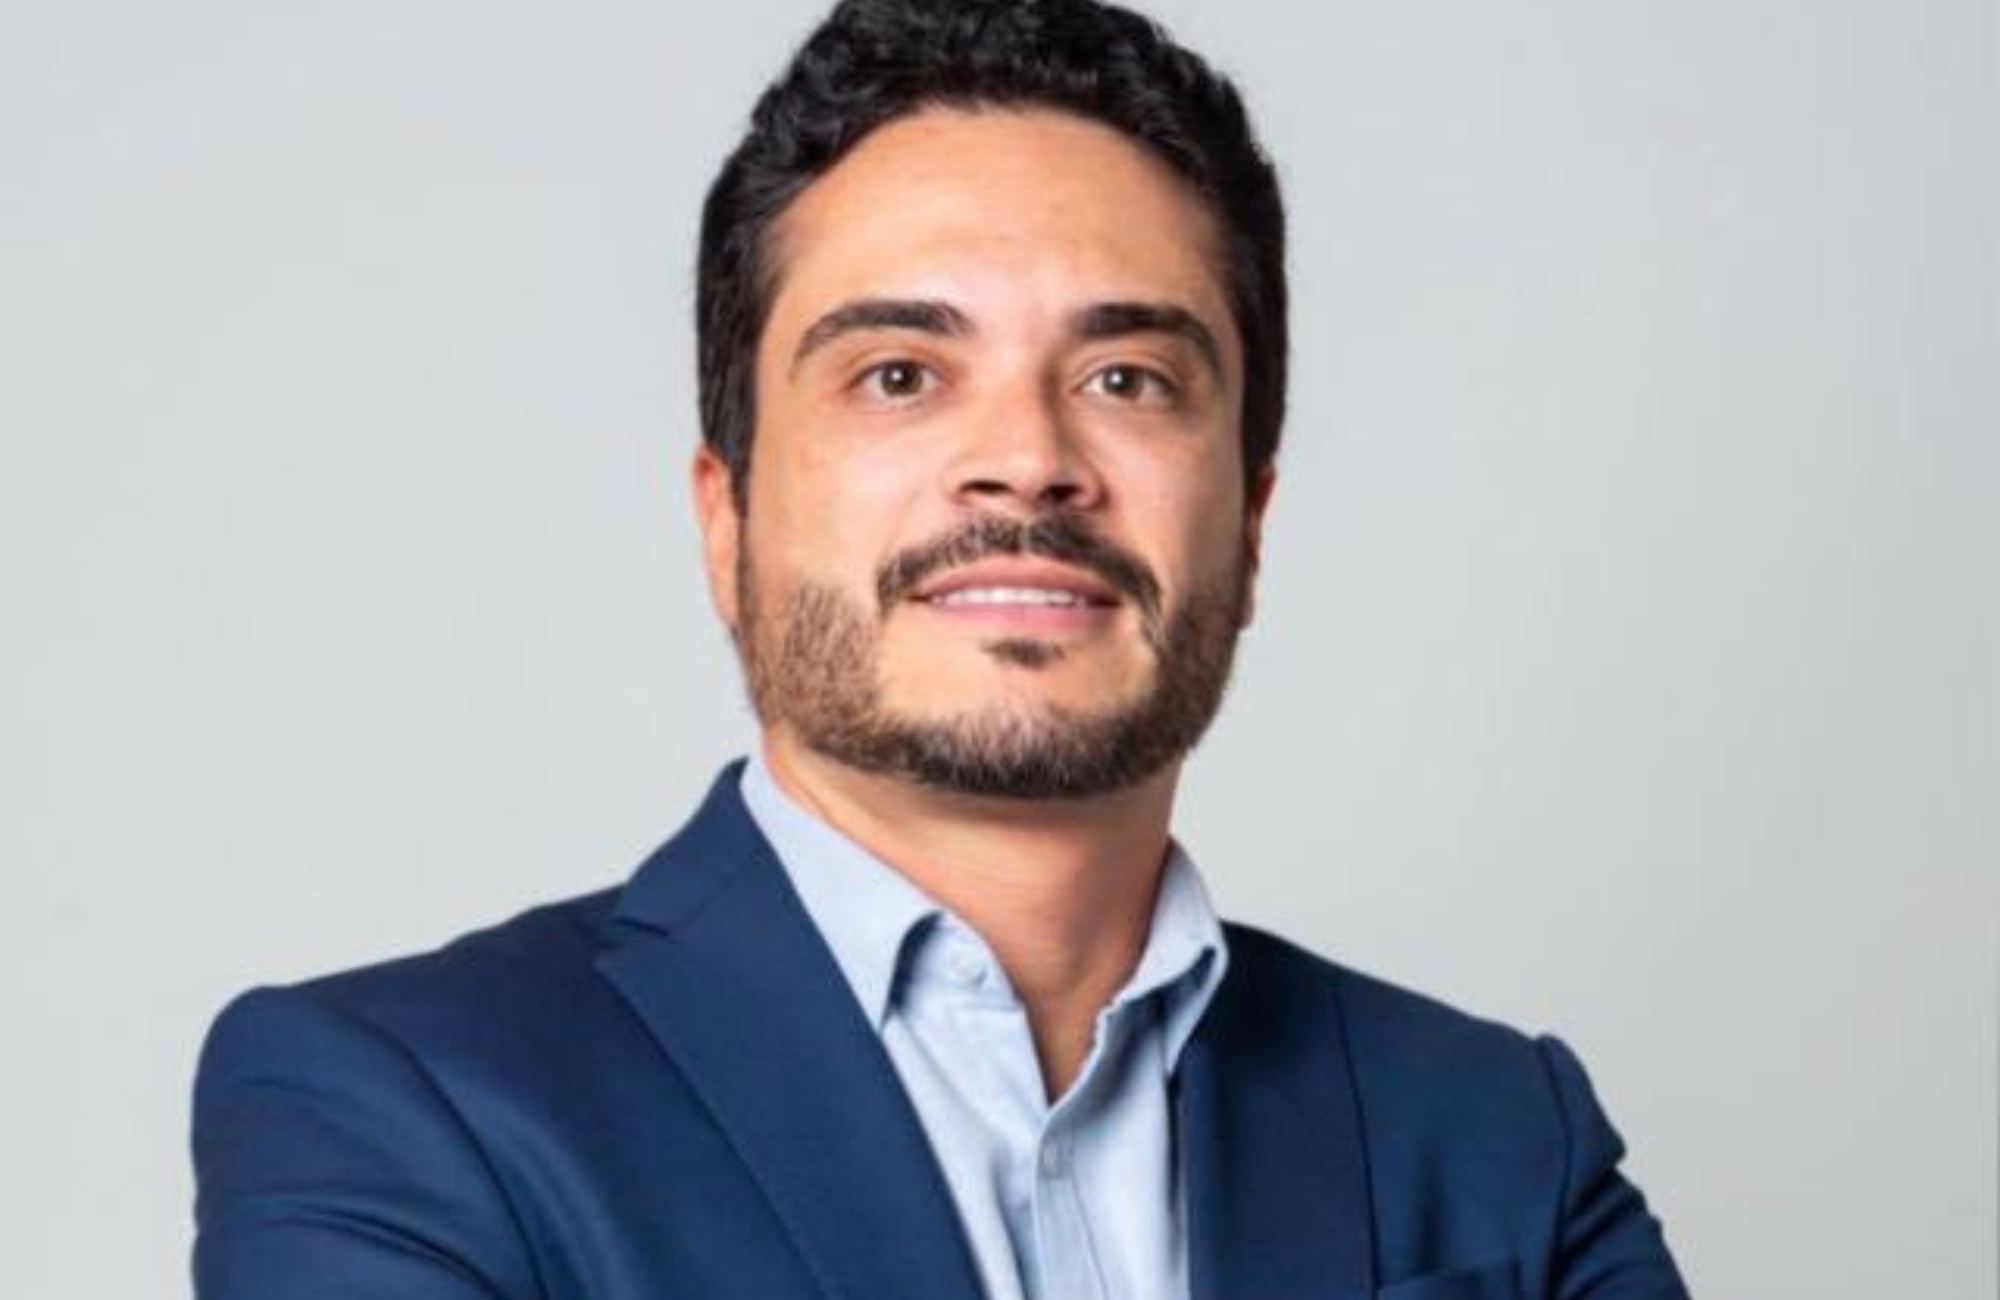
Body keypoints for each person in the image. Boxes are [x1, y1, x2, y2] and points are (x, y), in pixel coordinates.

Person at [190, 1, 1692, 1296]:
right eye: (900, 374)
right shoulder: (395, 1111)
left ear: (1248, 521)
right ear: (725, 519)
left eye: (1127, 377)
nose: (1027, 461)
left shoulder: (1503, 1139)